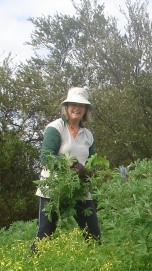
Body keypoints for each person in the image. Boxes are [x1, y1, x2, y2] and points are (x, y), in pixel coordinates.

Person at [31, 87, 101, 251]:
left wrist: (88, 173)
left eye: (81, 105)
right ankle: (29, 268)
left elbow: (92, 161)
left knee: (93, 232)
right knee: (46, 231)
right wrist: (71, 164)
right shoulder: (55, 128)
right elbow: (46, 157)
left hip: (79, 188)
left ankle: (101, 266)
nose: (77, 108)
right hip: (54, 188)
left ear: (85, 110)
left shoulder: (87, 135)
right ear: (66, 107)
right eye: (73, 104)